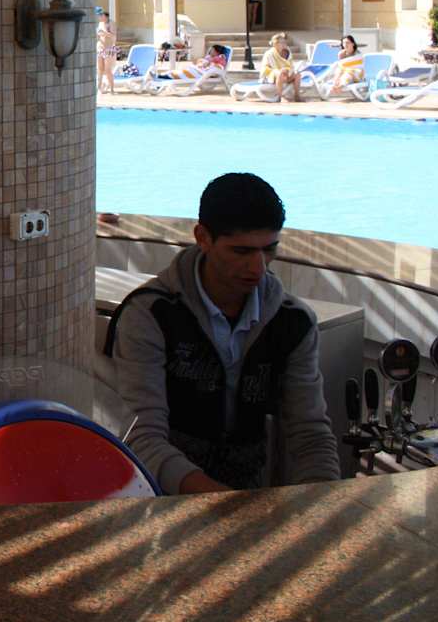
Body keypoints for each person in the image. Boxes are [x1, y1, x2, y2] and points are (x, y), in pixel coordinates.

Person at [105, 173, 340, 493]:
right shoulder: (150, 315)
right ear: (202, 237)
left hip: (246, 493)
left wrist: (322, 501)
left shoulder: (293, 323)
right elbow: (140, 436)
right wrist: (224, 504)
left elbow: (310, 434)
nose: (258, 267)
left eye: (269, 250)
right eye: (241, 251)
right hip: (160, 496)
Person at [259, 31, 302, 102]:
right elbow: (267, 68)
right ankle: (279, 96)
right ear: (275, 44)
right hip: (270, 76)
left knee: (297, 75)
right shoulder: (269, 54)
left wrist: (288, 71)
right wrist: (280, 71)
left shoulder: (287, 52)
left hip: (286, 75)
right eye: (281, 42)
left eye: (284, 42)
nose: (284, 44)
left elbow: (291, 65)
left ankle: (297, 96)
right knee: (280, 73)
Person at [324, 34, 365, 98]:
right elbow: (341, 66)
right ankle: (337, 85)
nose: (345, 45)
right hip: (346, 73)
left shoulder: (358, 54)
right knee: (340, 70)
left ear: (353, 44)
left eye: (347, 43)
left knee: (349, 71)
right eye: (344, 43)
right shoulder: (341, 54)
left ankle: (339, 87)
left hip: (358, 73)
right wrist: (337, 77)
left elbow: (359, 66)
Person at [96, 10, 118, 94]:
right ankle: (99, 88)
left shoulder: (111, 23)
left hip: (109, 48)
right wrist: (99, 34)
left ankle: (112, 89)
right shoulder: (100, 24)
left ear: (105, 16)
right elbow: (99, 34)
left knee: (108, 69)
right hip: (100, 47)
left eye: (101, 16)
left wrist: (104, 33)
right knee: (100, 69)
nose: (99, 17)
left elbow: (113, 36)